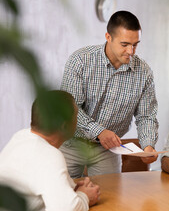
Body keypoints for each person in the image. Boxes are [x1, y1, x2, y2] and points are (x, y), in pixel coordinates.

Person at [0, 90, 100, 211]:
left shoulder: (21, 137)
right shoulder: (49, 154)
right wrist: (85, 197)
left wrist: (74, 189)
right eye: (76, 116)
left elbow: (44, 182)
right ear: (65, 126)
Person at [60, 10, 159, 178]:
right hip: (70, 143)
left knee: (108, 198)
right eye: (125, 44)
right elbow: (69, 108)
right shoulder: (80, 61)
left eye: (135, 44)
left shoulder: (144, 72)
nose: (131, 51)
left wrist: (148, 145)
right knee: (63, 194)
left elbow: (146, 116)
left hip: (107, 150)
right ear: (108, 37)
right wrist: (99, 131)